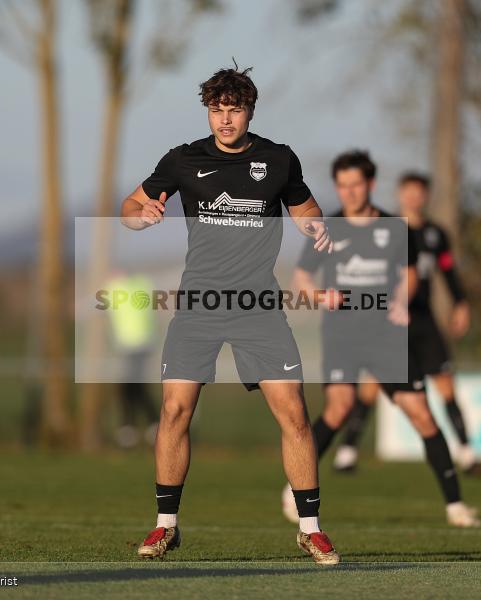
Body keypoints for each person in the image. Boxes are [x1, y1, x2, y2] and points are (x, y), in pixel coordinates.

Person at [119, 64, 340, 564]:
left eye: (234, 110)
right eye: (217, 110)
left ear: (249, 111)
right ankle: (165, 526)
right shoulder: (182, 160)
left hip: (259, 307)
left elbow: (307, 208)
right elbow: (129, 207)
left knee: (295, 416)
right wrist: (142, 218)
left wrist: (311, 227)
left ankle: (311, 529)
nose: (225, 120)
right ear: (208, 112)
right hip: (198, 305)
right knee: (175, 411)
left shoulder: (278, 159)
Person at [287, 152, 481, 528]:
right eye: (342, 185)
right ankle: (294, 486)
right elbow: (302, 277)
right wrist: (319, 296)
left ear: (370, 185)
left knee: (422, 413)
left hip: (386, 337)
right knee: (339, 407)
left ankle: (456, 505)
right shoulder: (327, 227)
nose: (348, 192)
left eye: (355, 184)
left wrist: (400, 300)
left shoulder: (396, 228)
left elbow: (410, 275)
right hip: (343, 332)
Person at [333, 171, 481, 476]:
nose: (413, 197)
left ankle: (467, 454)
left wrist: (461, 303)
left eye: (419, 192)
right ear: (400, 194)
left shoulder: (436, 235)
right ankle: (347, 453)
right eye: (407, 191)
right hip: (389, 320)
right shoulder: (385, 228)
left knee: (446, 386)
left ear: (426, 196)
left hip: (423, 319)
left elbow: (448, 272)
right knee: (370, 388)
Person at [106, 270, 160, 448]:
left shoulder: (115, 288)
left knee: (132, 387)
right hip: (138, 345)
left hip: (135, 345)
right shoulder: (142, 284)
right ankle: (139, 426)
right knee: (133, 386)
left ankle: (134, 428)